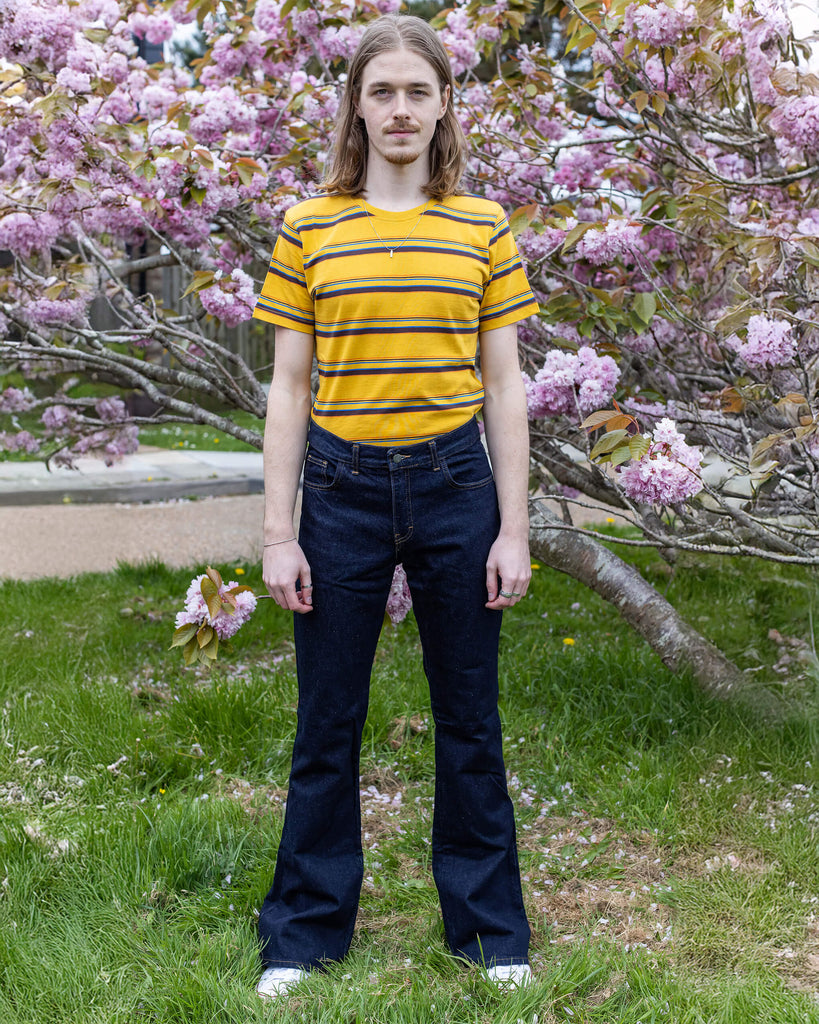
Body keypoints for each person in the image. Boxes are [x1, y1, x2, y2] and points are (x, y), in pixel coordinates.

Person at [251, 12, 539, 1000]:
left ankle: (491, 934)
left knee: (470, 719)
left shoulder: (484, 226)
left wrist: (512, 525)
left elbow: (505, 387)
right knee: (327, 721)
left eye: (420, 90)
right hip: (338, 493)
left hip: (459, 487)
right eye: (383, 92)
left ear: (444, 102)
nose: (402, 109)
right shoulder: (308, 226)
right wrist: (279, 531)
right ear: (357, 106)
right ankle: (302, 936)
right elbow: (289, 387)